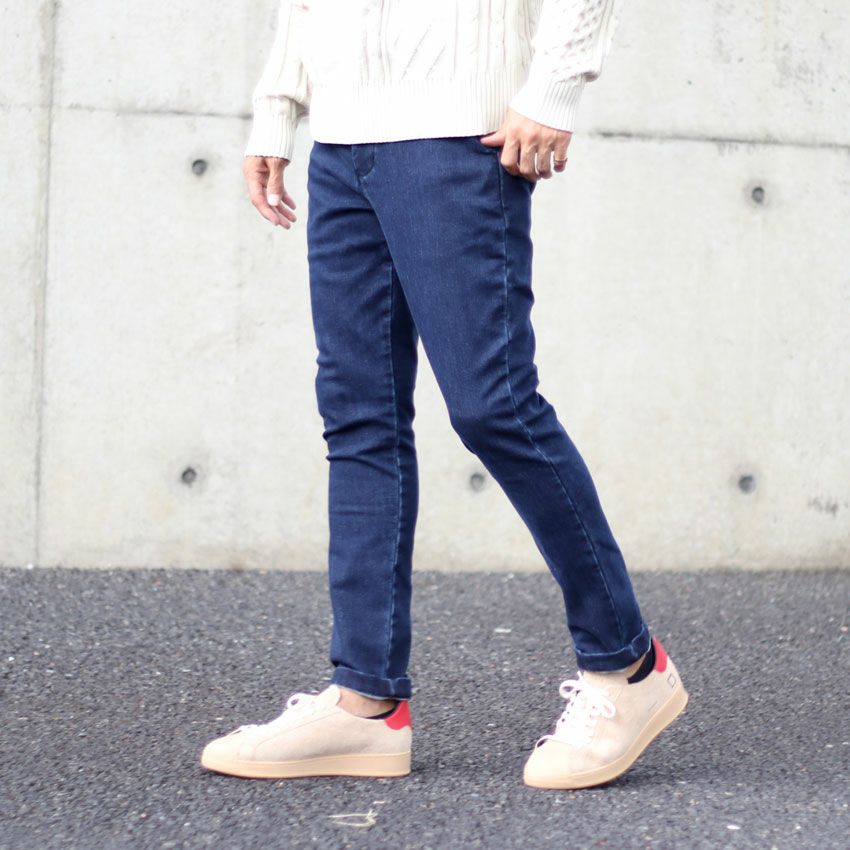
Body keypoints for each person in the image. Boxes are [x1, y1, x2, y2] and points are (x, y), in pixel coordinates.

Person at [201, 0, 688, 790]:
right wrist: (277, 108)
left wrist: (552, 89)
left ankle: (629, 667)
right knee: (359, 419)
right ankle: (365, 705)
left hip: (457, 138)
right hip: (341, 144)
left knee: (495, 406)